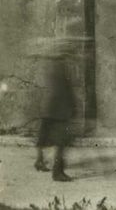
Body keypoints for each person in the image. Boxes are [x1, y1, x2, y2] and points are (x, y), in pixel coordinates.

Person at [34, 38, 76, 182]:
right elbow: (63, 90)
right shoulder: (60, 65)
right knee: (61, 140)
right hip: (57, 109)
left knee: (43, 136)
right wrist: (72, 106)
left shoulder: (49, 63)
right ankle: (57, 173)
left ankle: (39, 161)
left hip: (48, 107)